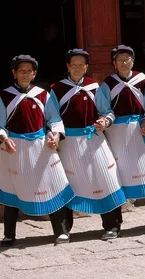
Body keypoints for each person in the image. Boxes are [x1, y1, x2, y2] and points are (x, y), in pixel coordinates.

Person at [0, 55, 73, 247]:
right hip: (14, 148)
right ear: (14, 73)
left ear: (34, 73)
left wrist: (54, 135)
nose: (25, 74)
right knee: (12, 187)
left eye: (29, 71)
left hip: (41, 146)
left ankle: (61, 231)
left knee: (53, 184)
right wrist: (4, 138)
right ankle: (9, 234)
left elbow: (54, 120)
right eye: (21, 70)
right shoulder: (5, 96)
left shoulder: (43, 95)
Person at [50, 49, 126, 241]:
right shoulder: (57, 89)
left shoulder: (95, 87)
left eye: (81, 65)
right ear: (67, 66)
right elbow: (52, 117)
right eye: (73, 64)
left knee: (106, 178)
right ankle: (63, 230)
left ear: (86, 67)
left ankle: (112, 226)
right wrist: (56, 134)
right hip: (68, 143)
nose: (77, 68)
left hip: (94, 140)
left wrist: (105, 122)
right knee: (64, 183)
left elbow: (107, 112)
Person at [96, 45, 145, 237]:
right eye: (120, 60)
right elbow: (104, 110)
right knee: (114, 178)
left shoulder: (142, 81)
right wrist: (105, 120)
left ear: (133, 62)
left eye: (127, 59)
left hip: (140, 132)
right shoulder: (107, 84)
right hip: (117, 134)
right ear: (114, 64)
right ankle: (113, 225)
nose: (124, 63)